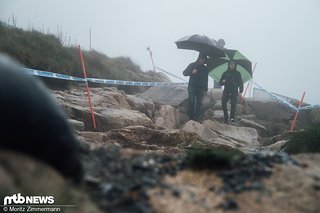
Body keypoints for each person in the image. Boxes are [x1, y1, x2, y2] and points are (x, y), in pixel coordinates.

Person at [183, 53, 208, 121]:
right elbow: (184, 73)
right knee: (192, 101)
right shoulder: (193, 65)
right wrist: (192, 72)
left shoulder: (205, 68)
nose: (202, 60)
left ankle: (197, 118)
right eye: (201, 58)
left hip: (201, 88)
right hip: (192, 86)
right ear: (198, 58)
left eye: (204, 59)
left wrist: (206, 88)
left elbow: (206, 79)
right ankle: (190, 117)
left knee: (199, 104)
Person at [219, 60, 243, 125]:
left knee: (233, 105)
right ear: (229, 65)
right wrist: (222, 81)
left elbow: (240, 82)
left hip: (234, 91)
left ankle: (232, 118)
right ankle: (226, 118)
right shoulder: (225, 73)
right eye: (231, 64)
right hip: (226, 90)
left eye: (233, 65)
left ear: (235, 65)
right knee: (223, 103)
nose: (232, 66)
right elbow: (220, 83)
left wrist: (241, 91)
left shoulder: (238, 73)